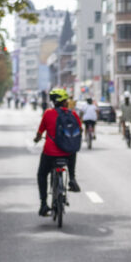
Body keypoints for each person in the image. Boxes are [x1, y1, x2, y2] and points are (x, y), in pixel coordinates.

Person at [34, 87, 82, 216]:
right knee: (73, 150)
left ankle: (44, 204)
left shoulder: (48, 113)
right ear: (64, 101)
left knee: (42, 175)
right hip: (67, 154)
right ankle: (72, 178)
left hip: (50, 153)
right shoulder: (73, 114)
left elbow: (40, 132)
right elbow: (79, 130)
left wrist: (37, 138)